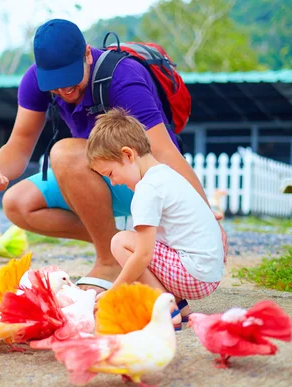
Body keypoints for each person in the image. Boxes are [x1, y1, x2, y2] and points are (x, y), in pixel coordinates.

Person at [0, 18, 227, 297]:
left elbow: (164, 151)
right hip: (92, 179)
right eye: (55, 84)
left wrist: (208, 218)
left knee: (64, 152)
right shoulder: (34, 81)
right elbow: (20, 142)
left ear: (87, 53)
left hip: (140, 184)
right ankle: (118, 246)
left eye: (69, 79)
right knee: (16, 203)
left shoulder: (124, 77)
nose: (63, 91)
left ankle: (109, 263)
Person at [86, 108, 224, 322]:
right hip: (208, 272)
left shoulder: (148, 188)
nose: (114, 182)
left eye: (111, 174)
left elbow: (143, 255)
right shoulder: (167, 175)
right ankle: (179, 306)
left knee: (121, 241)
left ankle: (165, 309)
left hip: (194, 274)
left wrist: (113, 292)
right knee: (140, 238)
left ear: (128, 154)